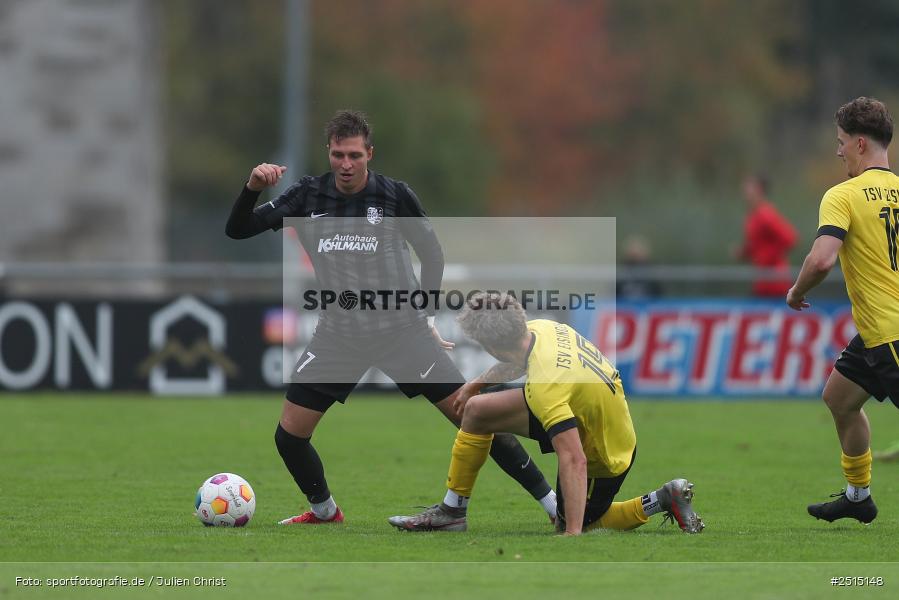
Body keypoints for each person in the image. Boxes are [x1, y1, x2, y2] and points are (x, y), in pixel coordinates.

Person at [225, 110, 557, 525]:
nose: (345, 165)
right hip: (339, 335)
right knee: (289, 436)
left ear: (369, 154)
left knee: (476, 415)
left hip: (402, 332)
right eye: (337, 155)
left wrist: (427, 312)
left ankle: (553, 504)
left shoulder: (395, 195)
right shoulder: (306, 196)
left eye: (354, 155)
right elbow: (238, 230)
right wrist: (252, 188)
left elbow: (432, 254)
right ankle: (325, 512)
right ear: (328, 153)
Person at [387, 292, 704, 535]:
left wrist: (571, 534)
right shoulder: (540, 329)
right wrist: (476, 385)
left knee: (587, 521)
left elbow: (574, 459)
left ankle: (663, 498)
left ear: (491, 346)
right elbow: (517, 359)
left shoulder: (546, 385)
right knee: (477, 411)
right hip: (590, 411)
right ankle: (453, 512)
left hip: (605, 451)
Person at [786, 97, 899, 525]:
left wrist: (796, 292)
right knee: (840, 397)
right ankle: (858, 496)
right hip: (875, 334)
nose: (838, 152)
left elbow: (820, 260)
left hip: (891, 333)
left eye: (841, 143)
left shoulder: (843, 195)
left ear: (861, 143)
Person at [737, 174, 798, 297]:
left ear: (759, 190)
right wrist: (745, 252)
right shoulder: (752, 215)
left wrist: (765, 258)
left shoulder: (765, 214)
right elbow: (758, 243)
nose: (744, 191)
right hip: (762, 280)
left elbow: (790, 238)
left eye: (748, 187)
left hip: (774, 281)